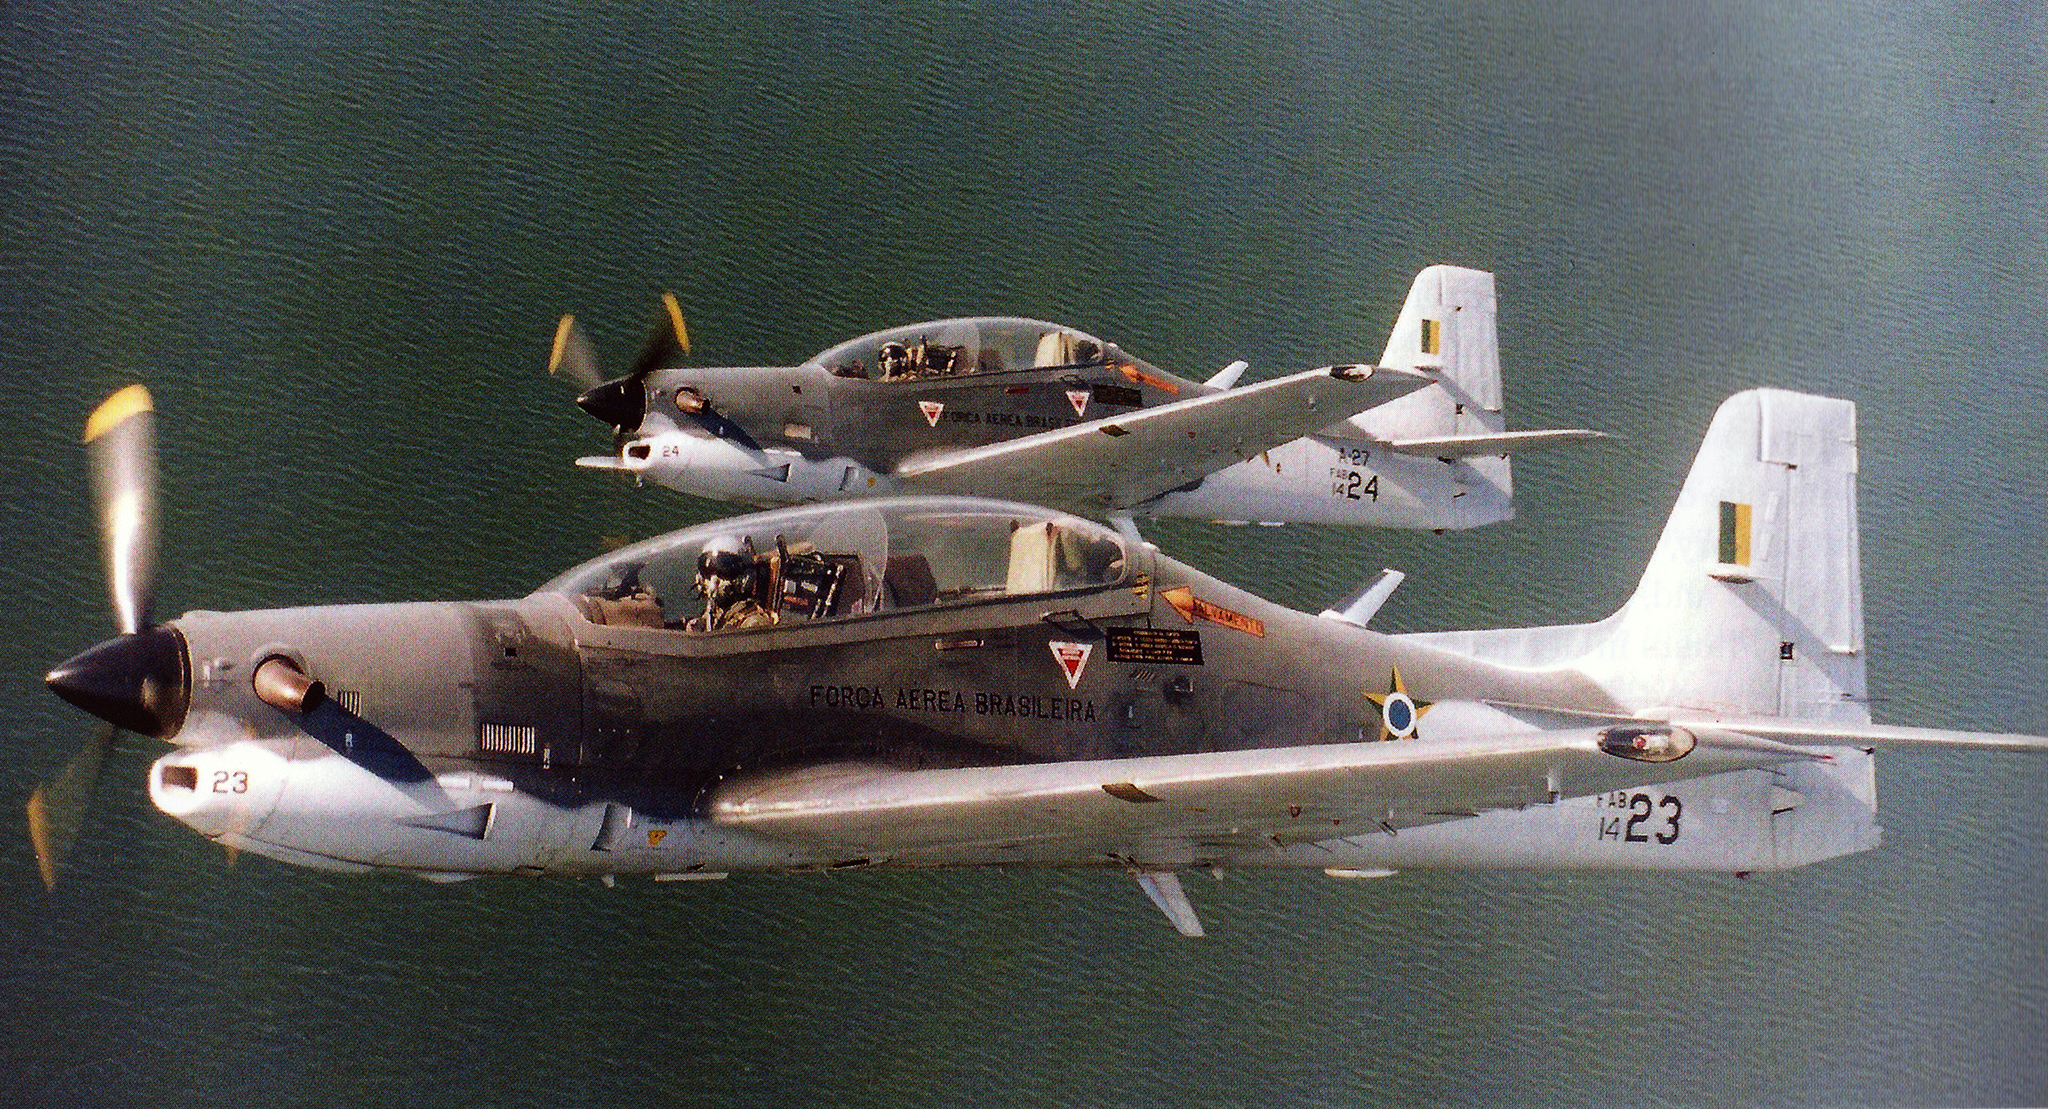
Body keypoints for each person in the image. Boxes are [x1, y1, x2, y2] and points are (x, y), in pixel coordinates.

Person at [687, 535, 776, 631]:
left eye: (724, 572)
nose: (714, 580)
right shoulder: (714, 615)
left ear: (744, 578)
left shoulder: (753, 624)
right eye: (707, 572)